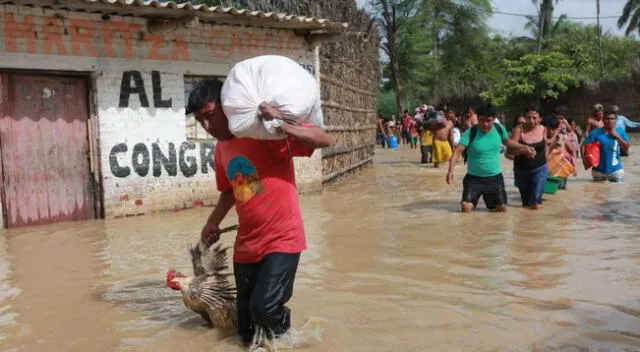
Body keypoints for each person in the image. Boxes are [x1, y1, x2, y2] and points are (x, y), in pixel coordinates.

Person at [185, 79, 333, 346]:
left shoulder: (264, 133)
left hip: (282, 240)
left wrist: (280, 123)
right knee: (246, 330)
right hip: (247, 245)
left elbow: (324, 139)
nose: (206, 127)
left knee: (264, 309)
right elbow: (230, 191)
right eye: (199, 120)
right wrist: (212, 223)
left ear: (228, 107)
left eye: (210, 116)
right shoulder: (221, 150)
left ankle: (289, 340)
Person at [446, 103, 534, 213]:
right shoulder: (471, 132)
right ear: (477, 118)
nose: (485, 124)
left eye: (489, 121)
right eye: (482, 120)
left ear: (494, 119)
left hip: (494, 178)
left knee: (501, 210)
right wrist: (450, 170)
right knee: (466, 208)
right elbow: (458, 151)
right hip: (473, 179)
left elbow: (507, 142)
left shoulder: (498, 129)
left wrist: (524, 146)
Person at [509, 106, 548, 210]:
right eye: (528, 117)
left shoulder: (543, 129)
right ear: (524, 117)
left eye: (535, 118)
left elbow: (545, 147)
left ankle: (536, 224)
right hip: (521, 170)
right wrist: (523, 151)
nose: (531, 121)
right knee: (526, 203)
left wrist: (549, 164)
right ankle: (525, 225)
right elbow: (508, 153)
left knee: (535, 201)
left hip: (540, 169)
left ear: (540, 119)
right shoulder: (518, 130)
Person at [581, 109, 631, 183]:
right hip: (598, 171)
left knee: (618, 192)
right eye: (607, 119)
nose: (610, 121)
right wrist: (584, 161)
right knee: (599, 193)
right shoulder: (595, 132)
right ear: (603, 120)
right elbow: (583, 145)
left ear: (615, 120)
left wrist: (617, 136)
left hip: (616, 170)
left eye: (612, 119)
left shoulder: (620, 131)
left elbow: (627, 147)